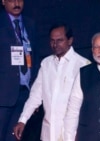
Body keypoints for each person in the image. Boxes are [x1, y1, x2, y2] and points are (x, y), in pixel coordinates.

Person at [13, 23, 90, 141]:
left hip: (73, 134)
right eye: (52, 41)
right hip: (48, 133)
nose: (55, 44)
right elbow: (35, 96)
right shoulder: (46, 64)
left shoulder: (83, 65)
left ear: (70, 40)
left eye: (60, 40)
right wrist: (22, 120)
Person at [0, 0, 39, 141]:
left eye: (19, 0)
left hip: (25, 93)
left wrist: (34, 94)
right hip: (3, 96)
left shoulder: (30, 24)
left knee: (16, 137)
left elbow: (36, 58)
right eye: (12, 0)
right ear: (3, 1)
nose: (16, 3)